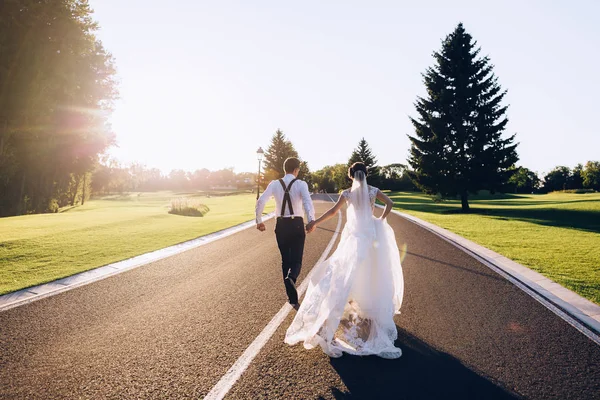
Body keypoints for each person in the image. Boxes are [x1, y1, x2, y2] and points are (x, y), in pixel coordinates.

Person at [285, 162, 404, 358]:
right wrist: (380, 219)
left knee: (344, 272)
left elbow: (333, 212)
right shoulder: (373, 191)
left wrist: (314, 222)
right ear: (366, 174)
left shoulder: (347, 193)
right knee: (373, 272)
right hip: (371, 235)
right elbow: (390, 204)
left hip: (354, 237)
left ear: (351, 176)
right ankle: (371, 308)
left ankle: (338, 308)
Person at [255, 157, 316, 308]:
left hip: (281, 225)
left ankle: (292, 298)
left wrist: (259, 220)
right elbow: (308, 202)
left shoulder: (275, 184)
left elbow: (261, 201)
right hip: (296, 223)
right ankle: (292, 277)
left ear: (285, 169)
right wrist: (311, 220)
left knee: (285, 260)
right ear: (296, 170)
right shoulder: (301, 184)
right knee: (296, 260)